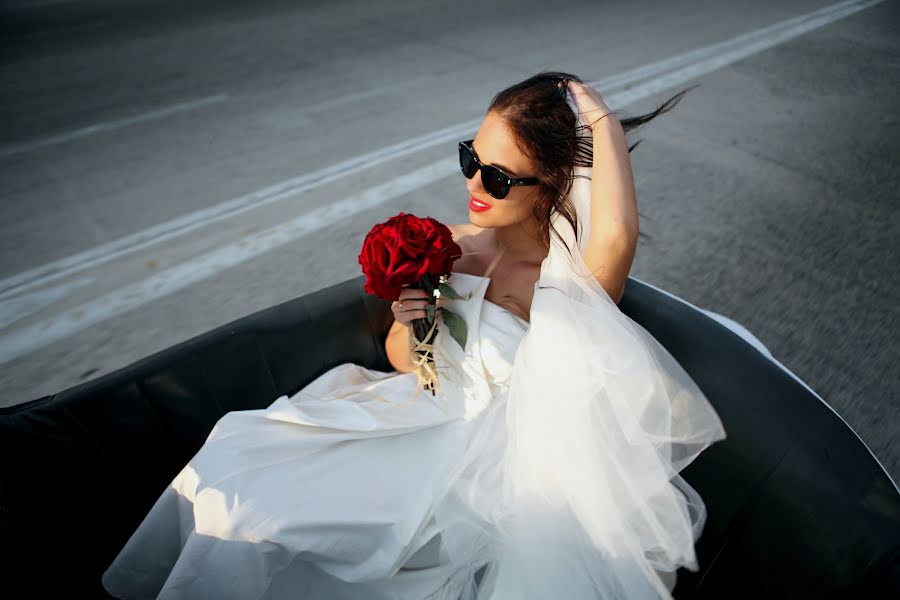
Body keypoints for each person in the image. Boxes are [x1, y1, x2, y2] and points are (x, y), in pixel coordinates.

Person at [101, 71, 726, 599]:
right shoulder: (451, 244)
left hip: (482, 462)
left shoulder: (565, 285)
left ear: (554, 186)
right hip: (415, 413)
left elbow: (616, 233)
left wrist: (600, 120)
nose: (474, 186)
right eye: (470, 160)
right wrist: (411, 323)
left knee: (263, 516)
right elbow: (412, 364)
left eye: (499, 179)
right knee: (238, 451)